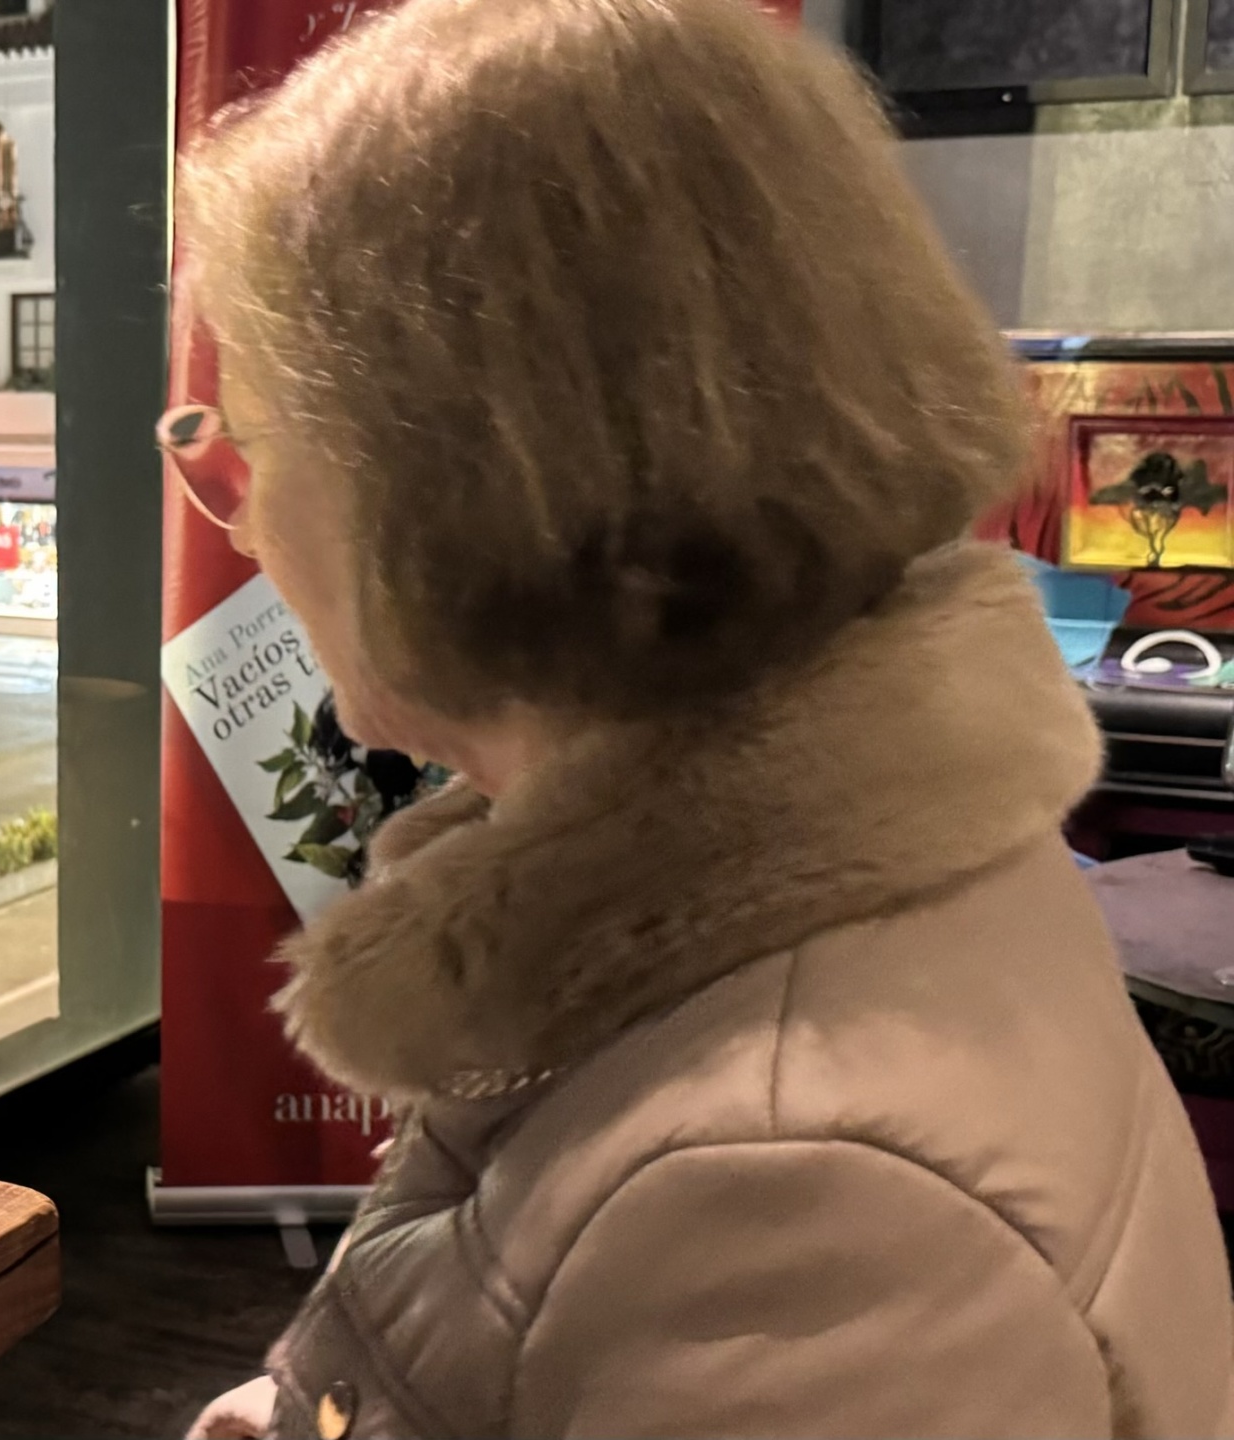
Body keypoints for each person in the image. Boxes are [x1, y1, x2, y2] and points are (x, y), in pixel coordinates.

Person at [163, 1, 1234, 1434]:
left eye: (252, 442)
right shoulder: (827, 884)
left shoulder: (798, 1198)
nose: (238, 524)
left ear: (462, 497)